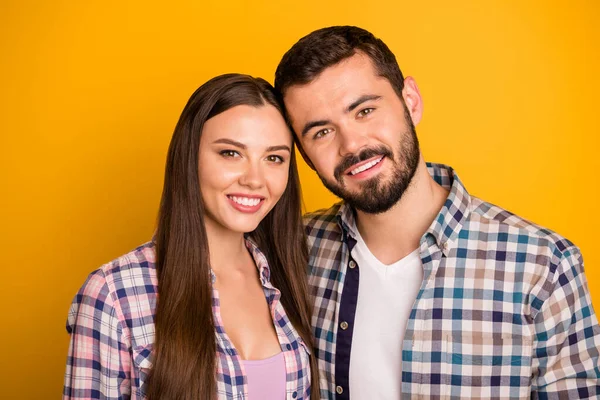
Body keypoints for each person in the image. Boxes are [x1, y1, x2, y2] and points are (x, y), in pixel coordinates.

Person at [274, 26, 600, 399]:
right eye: (321, 132)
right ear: (304, 155)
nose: (352, 145)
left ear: (410, 101)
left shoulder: (543, 267)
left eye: (364, 111)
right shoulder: (292, 251)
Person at [63, 74, 319, 399]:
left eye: (274, 158)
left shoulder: (295, 274)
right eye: (231, 153)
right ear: (190, 157)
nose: (255, 179)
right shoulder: (113, 295)